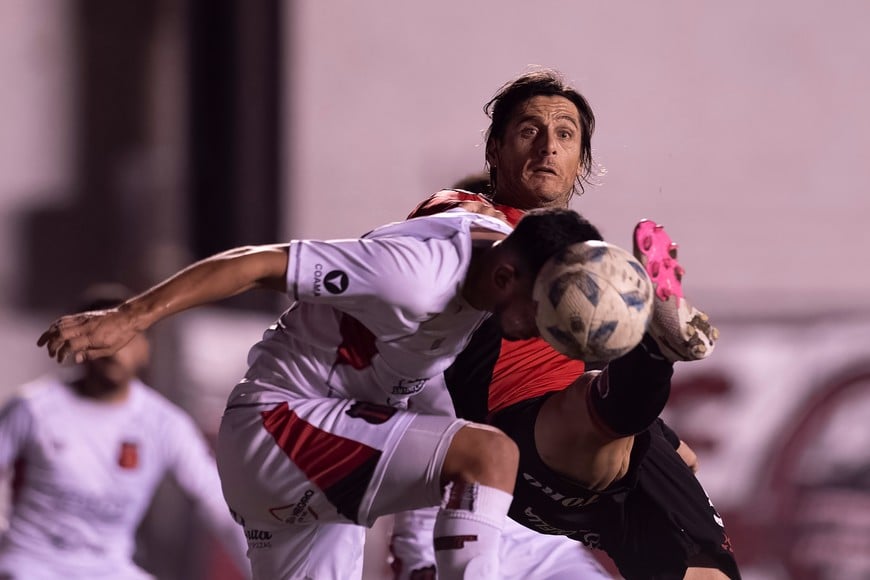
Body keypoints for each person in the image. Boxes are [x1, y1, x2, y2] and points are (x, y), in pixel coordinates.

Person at [37, 207, 606, 579]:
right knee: (490, 454)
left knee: (465, 445)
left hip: (304, 456)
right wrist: (131, 316)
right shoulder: (413, 274)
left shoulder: (500, 258)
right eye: (541, 311)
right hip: (279, 422)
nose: (545, 330)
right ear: (506, 277)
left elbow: (423, 391)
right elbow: (258, 264)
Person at [401, 69, 739, 579]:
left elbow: (684, 458)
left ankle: (652, 345)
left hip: (610, 447)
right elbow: (454, 238)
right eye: (528, 131)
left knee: (707, 565)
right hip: (520, 433)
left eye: (564, 135)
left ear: (581, 161)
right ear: (494, 149)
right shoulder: (462, 212)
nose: (547, 147)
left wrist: (667, 445)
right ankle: (654, 345)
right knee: (594, 407)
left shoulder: (579, 264)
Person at [0, 283, 250, 580]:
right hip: (32, 564)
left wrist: (266, 571)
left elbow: (217, 504)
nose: (114, 346)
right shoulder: (32, 409)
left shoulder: (164, 424)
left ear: (146, 348)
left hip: (109, 568)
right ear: (75, 342)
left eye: (127, 335)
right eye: (98, 333)